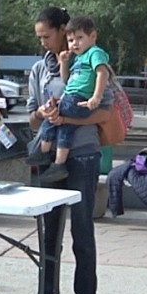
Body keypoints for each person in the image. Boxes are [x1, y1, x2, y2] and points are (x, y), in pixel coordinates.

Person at [27, 7, 110, 294]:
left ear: (65, 30)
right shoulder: (40, 70)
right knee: (48, 233)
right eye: (40, 38)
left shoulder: (92, 62)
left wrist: (68, 119)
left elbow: (104, 114)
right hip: (50, 158)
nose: (44, 43)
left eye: (48, 36)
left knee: (81, 231)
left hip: (83, 156)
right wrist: (47, 114)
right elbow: (32, 115)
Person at [34, 15, 109, 183]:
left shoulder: (95, 53)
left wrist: (96, 97)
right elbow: (67, 80)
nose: (74, 43)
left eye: (79, 38)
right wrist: (64, 63)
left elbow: (102, 73)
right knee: (64, 129)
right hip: (71, 97)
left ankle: (42, 153)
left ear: (93, 37)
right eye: (71, 40)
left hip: (79, 102)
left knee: (52, 119)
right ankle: (58, 163)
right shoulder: (77, 59)